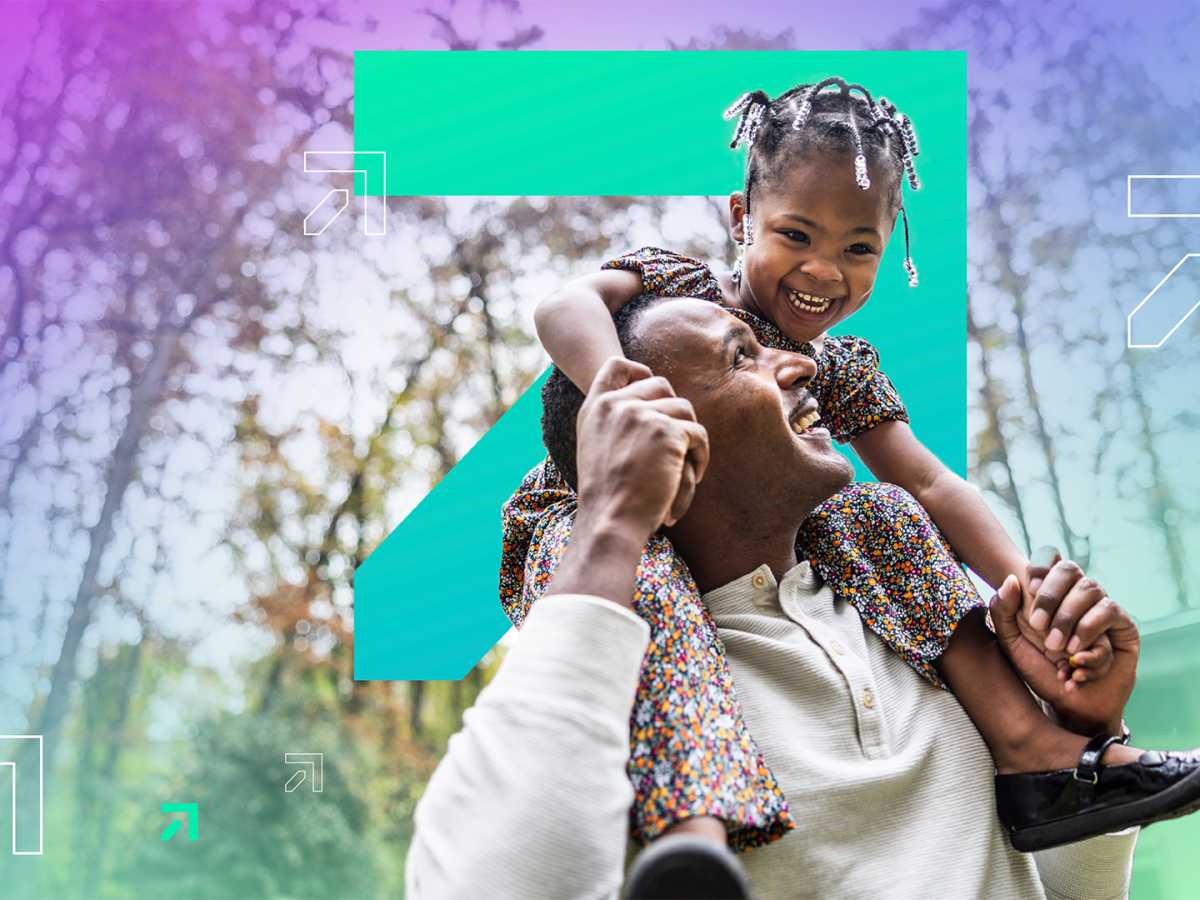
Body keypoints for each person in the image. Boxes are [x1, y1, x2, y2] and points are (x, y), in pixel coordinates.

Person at [501, 77, 1129, 854]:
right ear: (742, 218)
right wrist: (617, 392)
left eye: (857, 247)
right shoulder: (678, 293)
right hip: (607, 505)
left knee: (887, 516)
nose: (824, 270)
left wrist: (1022, 592)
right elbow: (561, 309)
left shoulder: (837, 368)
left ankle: (1030, 746)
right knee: (648, 582)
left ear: (891, 240)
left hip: (777, 530)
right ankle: (692, 826)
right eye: (796, 235)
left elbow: (928, 482)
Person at [410, 323, 1200, 899]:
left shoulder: (918, 616)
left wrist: (1092, 732)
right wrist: (612, 523)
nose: (799, 364)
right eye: (740, 356)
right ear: (649, 432)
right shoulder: (628, 688)